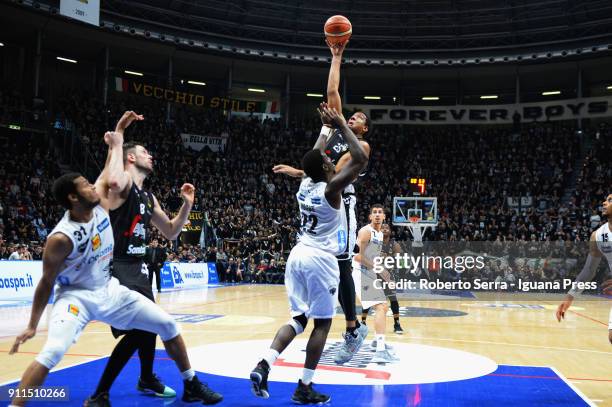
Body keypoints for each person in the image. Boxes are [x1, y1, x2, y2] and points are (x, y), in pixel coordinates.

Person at [8, 170, 222, 406]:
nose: (92, 186)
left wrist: (119, 132)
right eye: (85, 185)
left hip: (109, 287)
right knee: (53, 351)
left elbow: (170, 230)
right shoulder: (63, 235)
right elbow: (46, 282)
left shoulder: (114, 203)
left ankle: (182, 382)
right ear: (73, 197)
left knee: (167, 324)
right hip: (78, 295)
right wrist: (31, 326)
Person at [250, 103, 367, 404]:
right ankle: (304, 386)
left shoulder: (304, 184)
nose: (330, 163)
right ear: (327, 170)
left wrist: (325, 129)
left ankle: (265, 362)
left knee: (298, 319)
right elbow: (361, 157)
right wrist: (340, 122)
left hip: (297, 253)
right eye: (328, 163)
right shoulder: (333, 190)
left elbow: (315, 155)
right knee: (323, 324)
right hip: (320, 259)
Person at [85, 112, 202, 404]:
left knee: (147, 326)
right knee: (143, 328)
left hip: (137, 270)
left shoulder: (148, 197)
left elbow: (173, 232)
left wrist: (186, 206)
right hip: (116, 269)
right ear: (130, 159)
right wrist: (119, 132)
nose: (151, 156)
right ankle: (101, 392)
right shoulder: (121, 186)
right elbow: (111, 179)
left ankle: (146, 377)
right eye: (145, 152)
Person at [273, 40, 372, 365]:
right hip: (326, 200)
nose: (352, 117)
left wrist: (301, 172)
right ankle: (345, 326)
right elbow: (332, 91)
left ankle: (352, 328)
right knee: (334, 266)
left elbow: (335, 175)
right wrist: (336, 56)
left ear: (363, 127)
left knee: (342, 264)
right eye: (351, 115)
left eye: (358, 117)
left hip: (341, 205)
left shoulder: (362, 145)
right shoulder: (333, 130)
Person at [556, 193, 612, 344]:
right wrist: (569, 296)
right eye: (606, 199)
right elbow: (588, 271)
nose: (604, 202)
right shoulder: (598, 236)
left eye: (610, 200)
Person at [352, 207, 399, 363]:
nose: (378, 214)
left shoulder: (379, 234)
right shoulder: (366, 232)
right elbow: (357, 255)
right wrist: (379, 269)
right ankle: (380, 350)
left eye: (380, 212)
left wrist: (383, 272)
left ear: (384, 216)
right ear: (370, 216)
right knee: (381, 306)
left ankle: (377, 340)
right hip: (360, 272)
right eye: (375, 212)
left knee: (382, 307)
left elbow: (372, 258)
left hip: (369, 273)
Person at [362, 223, 405, 335]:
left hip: (388, 276)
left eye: (387, 228)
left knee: (393, 299)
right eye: (382, 228)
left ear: (390, 231)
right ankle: (362, 323)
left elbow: (401, 261)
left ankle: (397, 324)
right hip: (374, 275)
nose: (385, 229)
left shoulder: (394, 244)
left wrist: (392, 258)